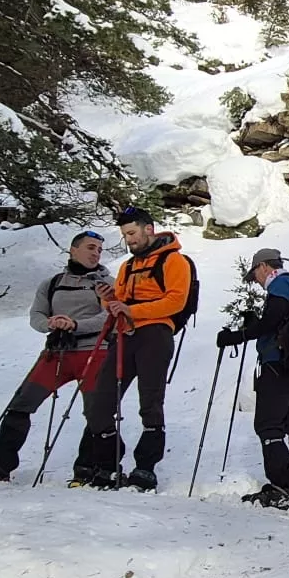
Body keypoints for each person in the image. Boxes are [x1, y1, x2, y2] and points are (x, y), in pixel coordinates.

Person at [0, 231, 114, 480]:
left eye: (99, 250)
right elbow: (36, 316)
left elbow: (109, 317)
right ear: (73, 250)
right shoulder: (51, 283)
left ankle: (88, 468)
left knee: (96, 412)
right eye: (90, 247)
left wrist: (73, 324)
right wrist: (52, 323)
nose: (96, 253)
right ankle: (0, 464)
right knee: (22, 403)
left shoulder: (106, 284)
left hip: (94, 352)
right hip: (57, 352)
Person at [75, 206, 192, 491]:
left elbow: (177, 301)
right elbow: (120, 303)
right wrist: (108, 300)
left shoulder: (175, 261)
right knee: (100, 401)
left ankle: (145, 468)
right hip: (125, 334)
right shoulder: (127, 267)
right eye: (125, 235)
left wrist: (131, 310)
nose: (129, 240)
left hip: (156, 333)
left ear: (148, 229)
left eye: (132, 233)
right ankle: (107, 463)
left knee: (150, 401)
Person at [215, 247, 289, 508]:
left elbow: (272, 322)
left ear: (263, 267)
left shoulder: (280, 284)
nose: (257, 283)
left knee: (268, 425)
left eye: (255, 275)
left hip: (277, 364)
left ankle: (280, 486)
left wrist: (239, 335)